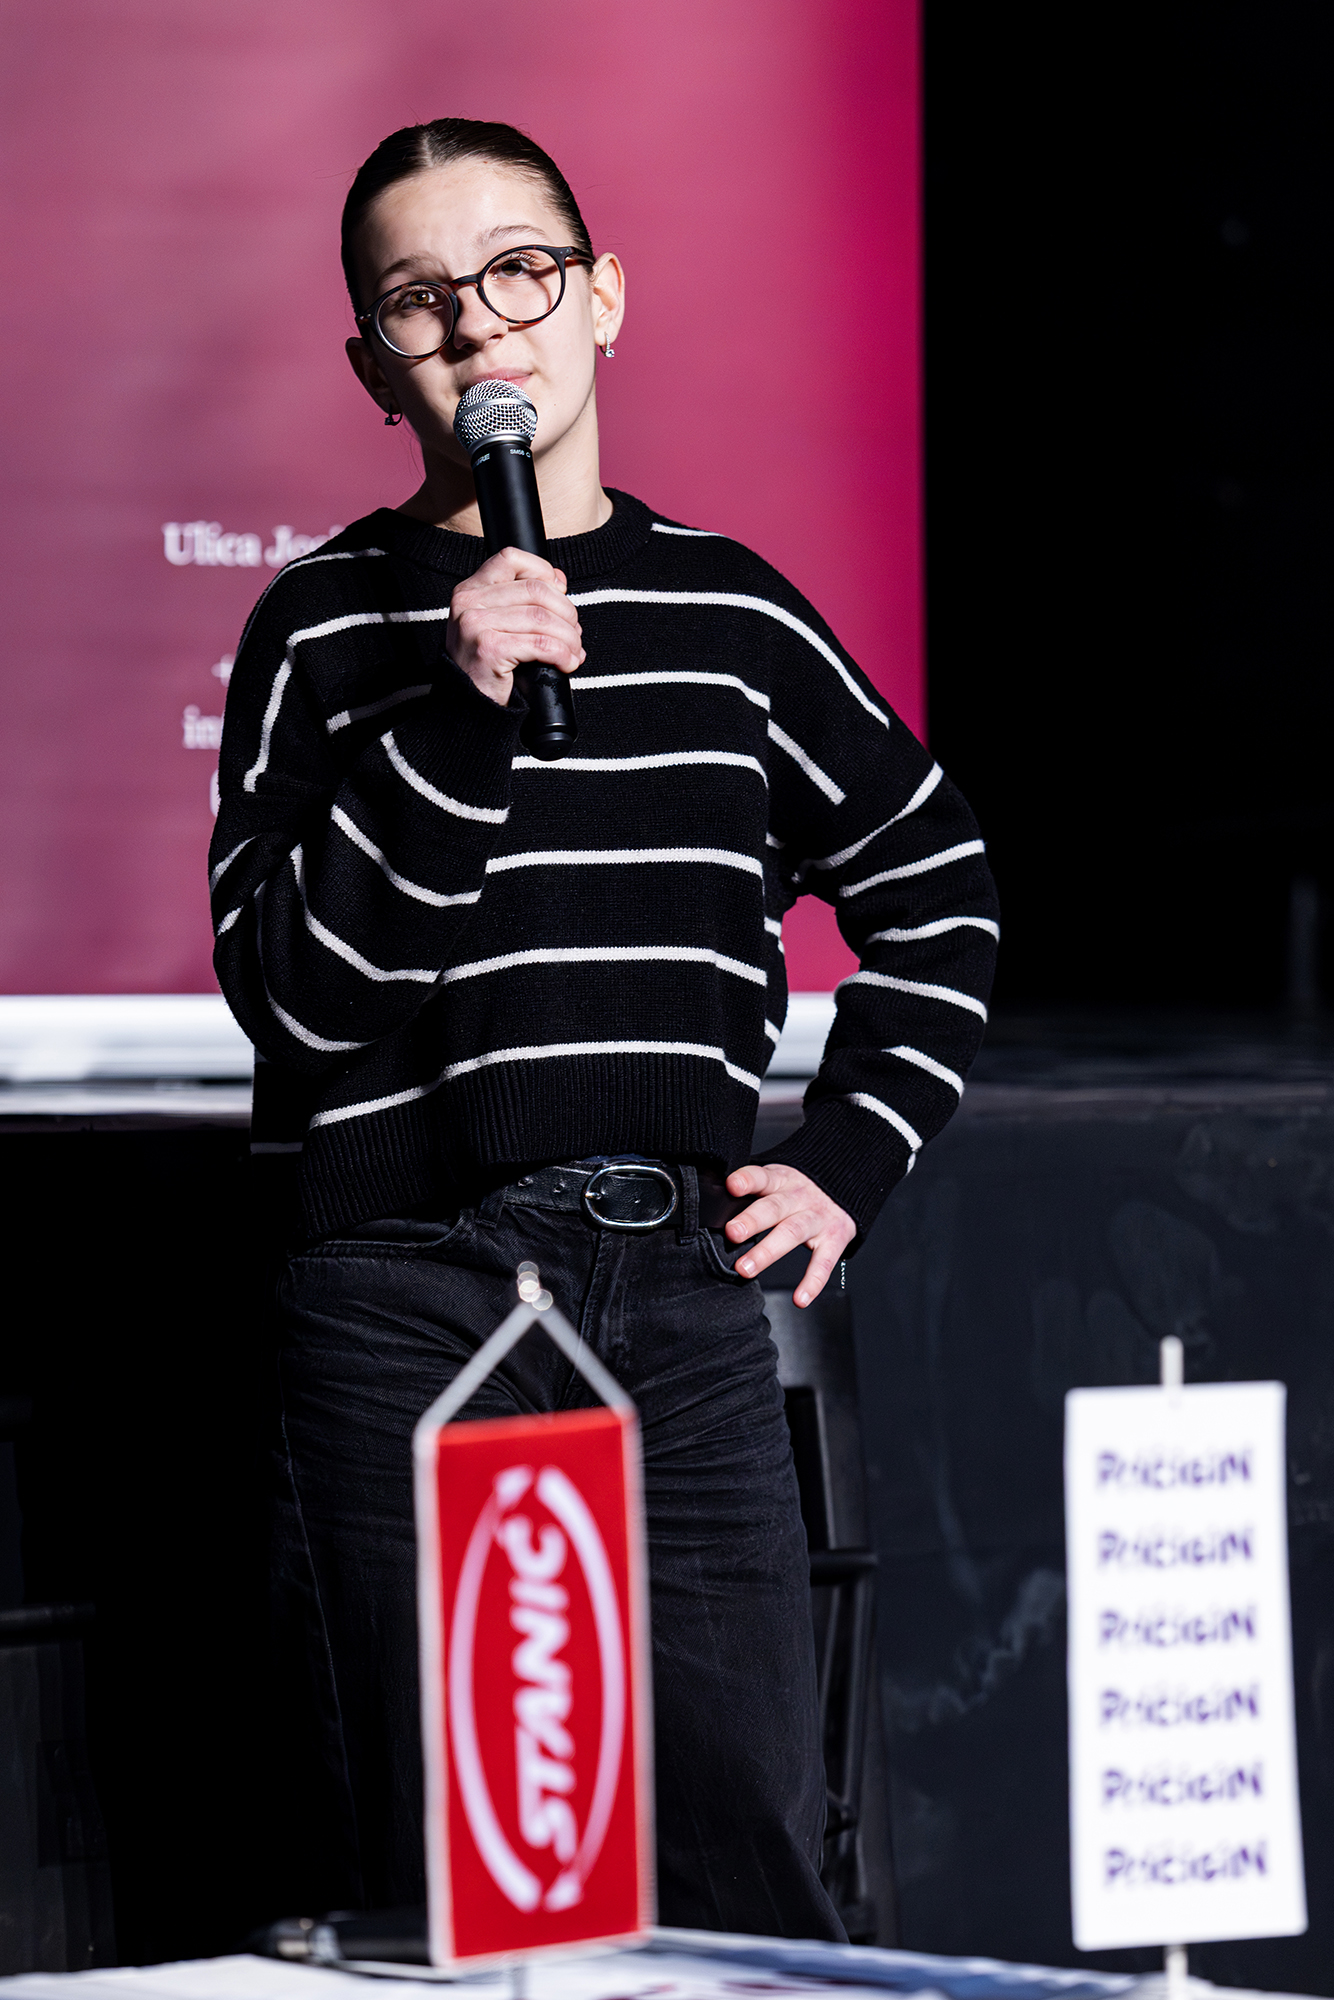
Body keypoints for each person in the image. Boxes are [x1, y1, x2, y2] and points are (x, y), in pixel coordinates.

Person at [210, 118, 998, 1938]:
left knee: (746, 1862)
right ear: (373, 368)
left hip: (677, 1295)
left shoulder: (731, 612)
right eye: (420, 300)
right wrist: (460, 711)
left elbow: (937, 885)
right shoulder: (318, 629)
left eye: (520, 272)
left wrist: (846, 1158)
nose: (481, 324)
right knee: (454, 1882)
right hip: (404, 1294)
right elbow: (293, 998)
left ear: (603, 297)